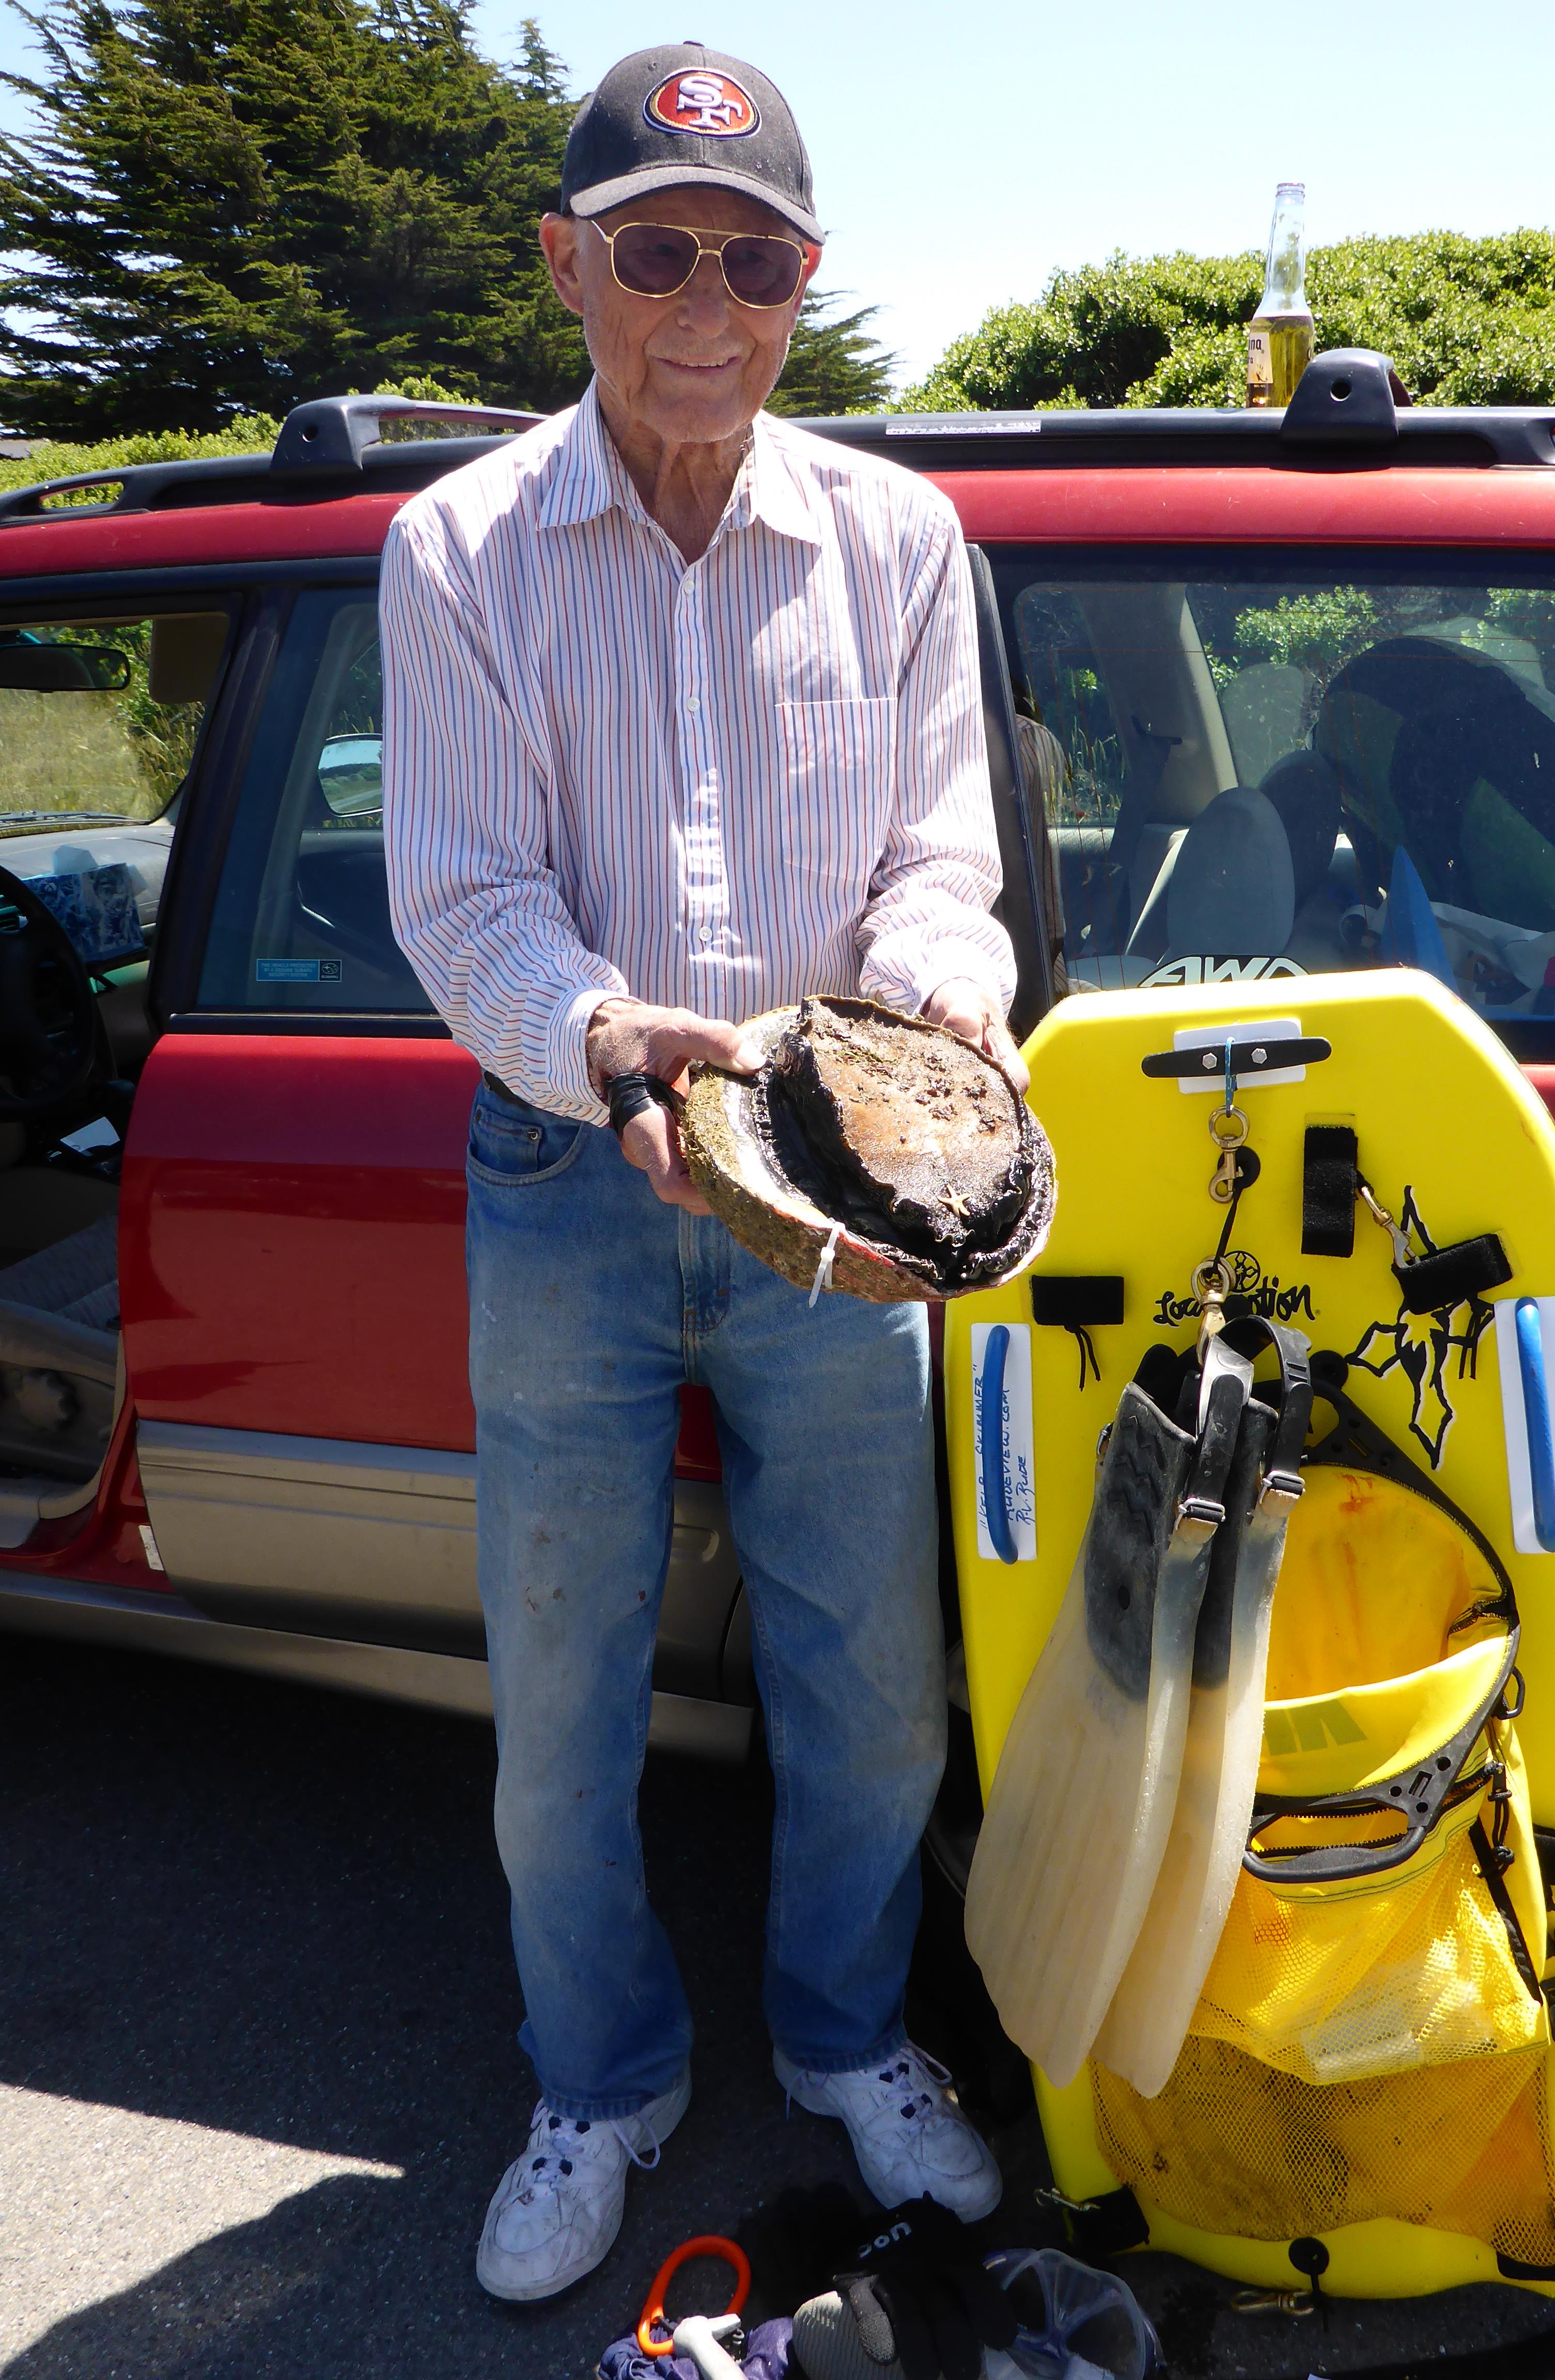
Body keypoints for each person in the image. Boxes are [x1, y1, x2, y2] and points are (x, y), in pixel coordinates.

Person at [382, 42, 1027, 2306]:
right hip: (564, 1170)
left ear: (804, 282)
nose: (703, 299)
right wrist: (607, 1042)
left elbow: (948, 863)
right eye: (654, 246)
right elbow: (463, 902)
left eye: (751, 258)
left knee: (874, 1678)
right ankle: (600, 2081)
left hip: (842, 1196)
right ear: (567, 263)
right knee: (558, 1685)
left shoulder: (903, 539)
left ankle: (852, 2044)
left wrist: (938, 1007)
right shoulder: (453, 549)